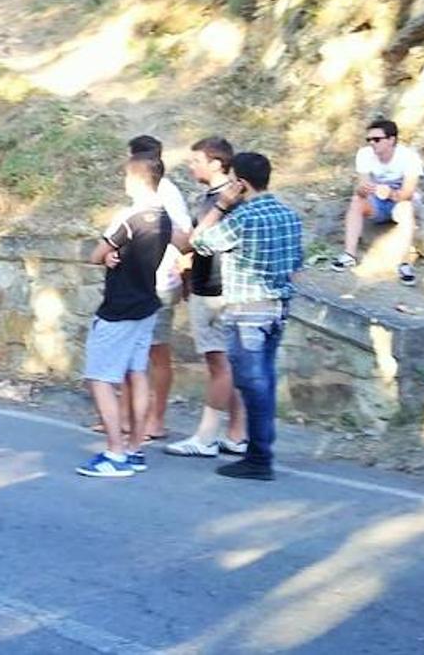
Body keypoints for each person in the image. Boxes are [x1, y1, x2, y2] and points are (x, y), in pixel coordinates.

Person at [191, 152, 303, 481]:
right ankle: (261, 450)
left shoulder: (243, 217)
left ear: (240, 183)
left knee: (253, 384)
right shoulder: (289, 215)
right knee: (265, 380)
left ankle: (258, 458)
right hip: (278, 308)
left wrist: (222, 206)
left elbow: (200, 242)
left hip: (247, 310)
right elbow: (297, 267)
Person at [77, 156, 172, 478]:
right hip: (147, 302)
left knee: (100, 379)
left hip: (119, 308)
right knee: (137, 374)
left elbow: (96, 255)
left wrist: (109, 256)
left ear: (135, 179)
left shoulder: (129, 217)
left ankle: (114, 452)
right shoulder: (165, 218)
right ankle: (134, 448)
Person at [166, 137, 248, 458]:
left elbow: (206, 242)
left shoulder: (229, 198)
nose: (191, 165)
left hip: (217, 289)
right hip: (208, 285)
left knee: (219, 363)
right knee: (226, 364)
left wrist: (172, 240)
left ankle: (206, 437)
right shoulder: (215, 196)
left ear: (217, 163)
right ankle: (237, 434)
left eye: (196, 160)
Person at [126, 135, 192, 440]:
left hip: (160, 282)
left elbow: (185, 235)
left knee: (157, 354)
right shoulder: (146, 196)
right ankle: (128, 417)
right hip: (140, 282)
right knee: (133, 352)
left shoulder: (167, 193)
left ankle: (156, 419)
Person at [332, 119, 421, 286]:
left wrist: (391, 193)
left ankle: (404, 264)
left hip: (399, 203)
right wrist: (363, 190)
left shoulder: (408, 157)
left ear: (391, 140)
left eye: (377, 139)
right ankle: (349, 255)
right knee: (356, 201)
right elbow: (361, 186)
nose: (372, 143)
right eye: (369, 140)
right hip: (376, 203)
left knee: (406, 208)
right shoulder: (365, 154)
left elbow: (408, 192)